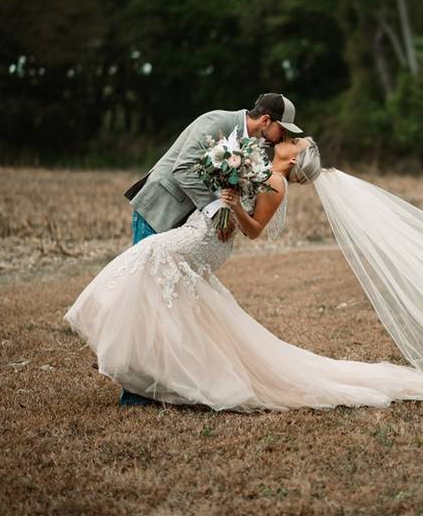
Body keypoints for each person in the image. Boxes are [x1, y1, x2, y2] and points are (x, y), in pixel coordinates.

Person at [64, 135, 423, 412]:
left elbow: (253, 229)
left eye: (294, 142)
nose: (289, 139)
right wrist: (223, 187)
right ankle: (152, 375)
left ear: (294, 158)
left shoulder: (276, 182)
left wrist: (230, 204)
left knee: (145, 259)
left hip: (204, 241)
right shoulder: (262, 169)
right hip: (204, 234)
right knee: (161, 288)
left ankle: (147, 372)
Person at [114, 92, 305, 406]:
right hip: (160, 209)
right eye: (282, 131)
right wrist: (217, 210)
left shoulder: (254, 147)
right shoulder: (216, 122)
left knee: (167, 303)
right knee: (144, 297)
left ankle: (156, 384)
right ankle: (134, 390)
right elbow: (183, 170)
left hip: (187, 223)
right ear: (266, 120)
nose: (281, 137)